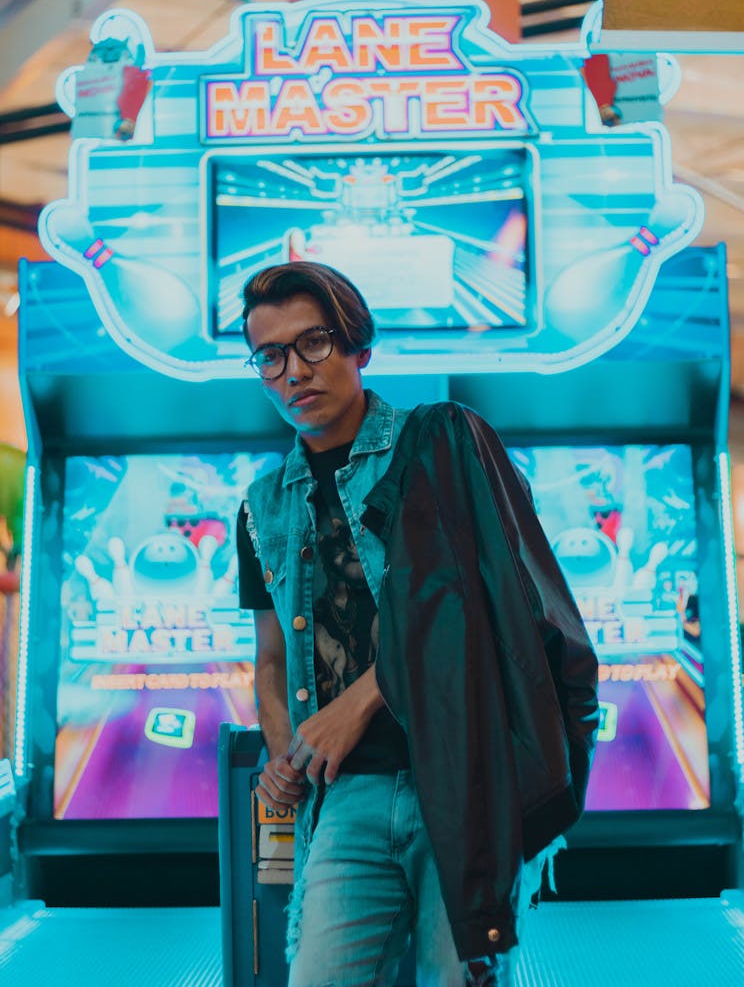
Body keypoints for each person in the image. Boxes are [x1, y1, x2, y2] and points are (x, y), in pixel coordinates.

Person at [236, 261, 599, 987]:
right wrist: (290, 754)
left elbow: (478, 616)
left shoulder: (442, 447)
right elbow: (271, 659)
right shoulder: (263, 502)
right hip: (349, 795)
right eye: (270, 355)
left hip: (462, 775)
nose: (293, 372)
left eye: (313, 343)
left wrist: (357, 703)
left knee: (455, 976)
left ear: (357, 347)